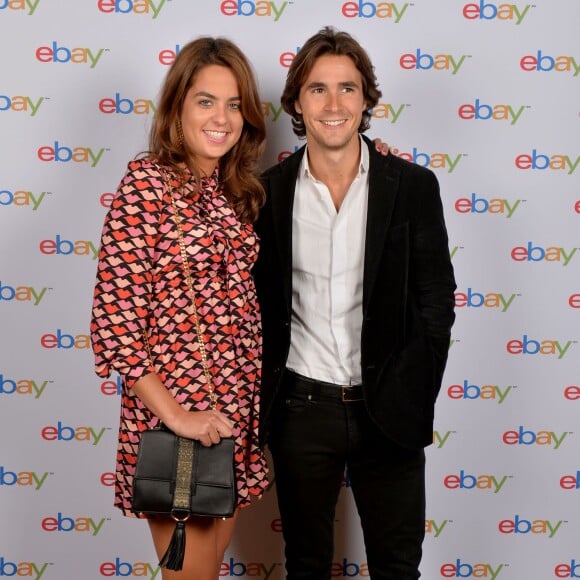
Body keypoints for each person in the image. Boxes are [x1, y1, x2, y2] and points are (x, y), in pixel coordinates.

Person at [253, 26, 457, 579]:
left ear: (366, 99)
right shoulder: (266, 193)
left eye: (348, 88)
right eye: (318, 89)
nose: (334, 103)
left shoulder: (411, 184)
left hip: (389, 407)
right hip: (301, 408)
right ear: (297, 100)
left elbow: (436, 298)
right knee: (307, 565)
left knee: (397, 566)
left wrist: (416, 384)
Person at [90, 37, 269, 579]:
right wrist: (177, 416)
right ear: (177, 108)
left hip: (234, 418)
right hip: (175, 425)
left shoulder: (231, 194)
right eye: (205, 101)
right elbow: (114, 322)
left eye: (234, 104)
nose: (222, 117)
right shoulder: (146, 184)